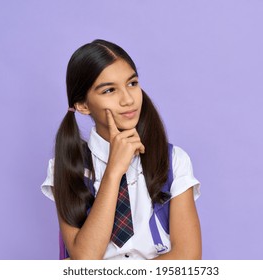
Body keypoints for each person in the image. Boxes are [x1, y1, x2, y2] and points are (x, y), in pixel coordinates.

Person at [41, 39, 201, 260]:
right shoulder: (68, 168)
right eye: (109, 90)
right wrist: (114, 172)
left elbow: (187, 258)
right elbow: (85, 260)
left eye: (132, 83)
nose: (128, 99)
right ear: (83, 105)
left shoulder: (173, 160)